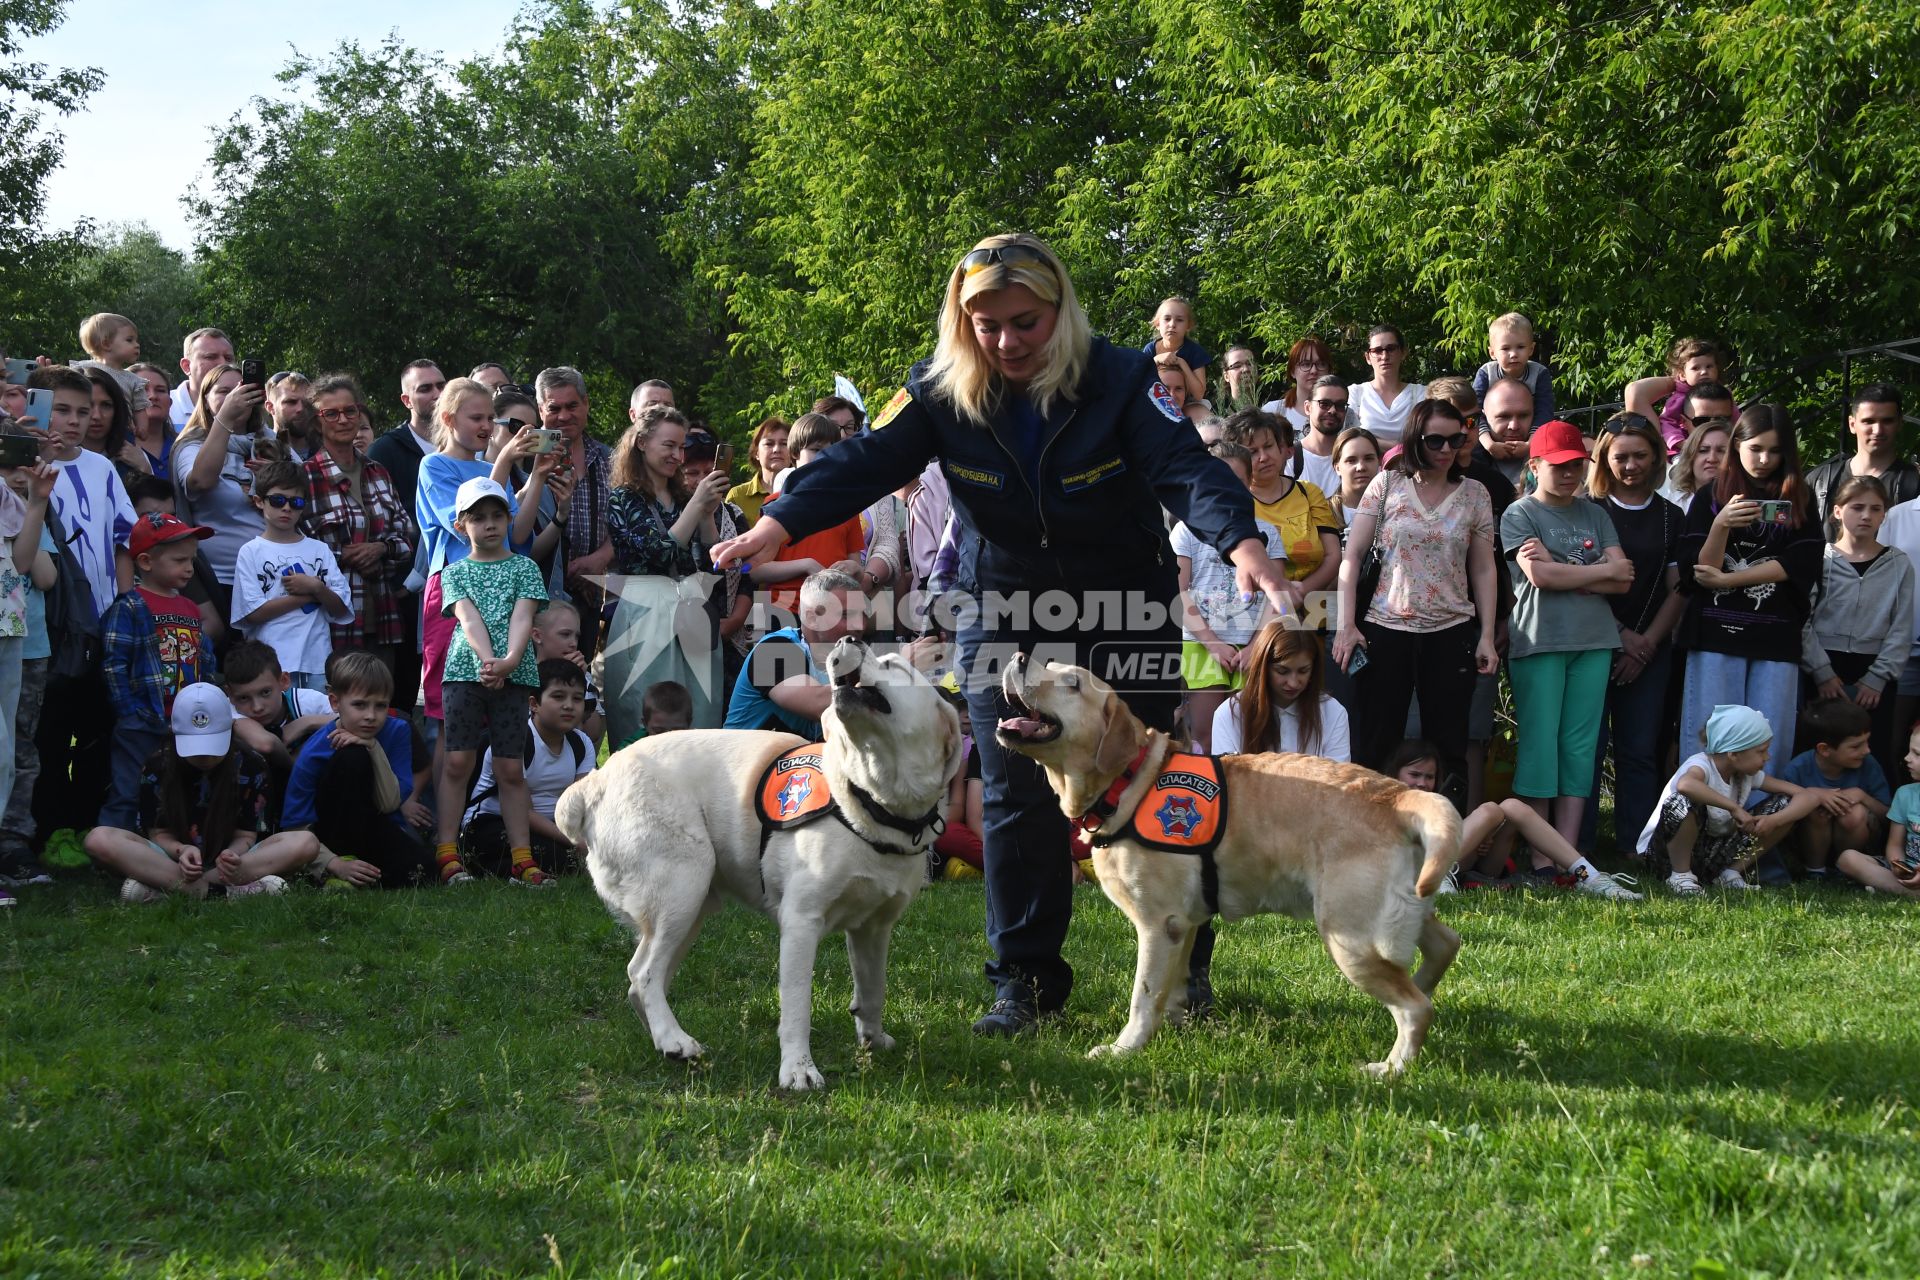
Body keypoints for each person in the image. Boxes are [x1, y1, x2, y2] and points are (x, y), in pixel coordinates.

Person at [711, 232, 1284, 1036]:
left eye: (1026, 322)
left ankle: (1185, 974)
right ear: (962, 320)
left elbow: (1186, 469)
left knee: (1158, 777)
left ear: (1061, 313)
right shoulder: (940, 389)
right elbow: (866, 461)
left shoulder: (1120, 379)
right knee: (1016, 793)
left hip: (1125, 599)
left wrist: (1243, 543)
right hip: (1004, 606)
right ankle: (1024, 983)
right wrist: (780, 521)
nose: (1008, 342)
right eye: (987, 324)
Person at [1333, 399, 1499, 802]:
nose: (1446, 449)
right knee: (1377, 739)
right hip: (1384, 627)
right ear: (1414, 439)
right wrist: (1346, 624)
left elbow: (1483, 569)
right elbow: (1351, 557)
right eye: (1435, 440)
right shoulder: (1386, 483)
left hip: (1451, 629)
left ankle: (1448, 849)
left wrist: (1488, 635)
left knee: (1449, 742)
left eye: (1455, 439)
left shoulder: (1476, 493)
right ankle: (1372, 839)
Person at [1501, 420, 1631, 848]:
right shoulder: (1519, 513)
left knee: (1579, 748)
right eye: (1560, 466)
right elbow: (1538, 576)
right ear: (1535, 466)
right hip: (1540, 642)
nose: (1571, 473)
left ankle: (1569, 856)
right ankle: (1541, 856)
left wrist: (1565, 570)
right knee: (1540, 746)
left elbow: (1624, 578)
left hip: (1594, 641)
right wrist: (1597, 574)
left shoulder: (1595, 512)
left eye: (1577, 464)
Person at [1677, 404, 1823, 776]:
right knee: (1709, 741)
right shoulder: (1710, 495)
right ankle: (1706, 823)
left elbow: (1799, 565)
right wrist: (1720, 525)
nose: (1764, 459)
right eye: (1755, 447)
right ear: (1737, 444)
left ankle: (1759, 828)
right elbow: (1697, 573)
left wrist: (1729, 581)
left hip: (1775, 637)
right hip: (1715, 636)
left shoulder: (1800, 496)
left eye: (1775, 451)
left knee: (1768, 745)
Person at [82, 681, 324, 900]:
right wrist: (182, 850)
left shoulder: (252, 764)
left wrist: (231, 856)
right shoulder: (158, 764)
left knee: (306, 843)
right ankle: (220, 893)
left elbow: (247, 835)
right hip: (172, 861)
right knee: (99, 839)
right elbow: (158, 833)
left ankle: (170, 890)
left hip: (234, 862)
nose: (205, 757)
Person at [433, 476, 550, 888]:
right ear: (461, 525)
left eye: (497, 515)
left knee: (510, 767)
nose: (489, 524)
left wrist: (511, 661)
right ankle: (447, 854)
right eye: (478, 517)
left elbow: (524, 616)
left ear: (508, 518)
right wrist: (489, 661)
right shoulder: (455, 571)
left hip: (514, 674)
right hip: (466, 672)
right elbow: (467, 618)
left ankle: (522, 859)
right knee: (458, 762)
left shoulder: (524, 567)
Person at [415, 378, 547, 734]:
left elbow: (517, 535)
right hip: (454, 592)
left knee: (496, 707)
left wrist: (537, 475)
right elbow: (460, 520)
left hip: (500, 588)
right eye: (476, 418)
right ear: (448, 418)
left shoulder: (491, 471)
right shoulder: (434, 466)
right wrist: (503, 461)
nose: (487, 427)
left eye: (491, 418)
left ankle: (488, 789)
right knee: (451, 717)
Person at [1582, 413, 1687, 857]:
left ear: (1656, 456)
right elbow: (1580, 583)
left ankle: (1636, 846)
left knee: (1639, 751)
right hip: (1590, 643)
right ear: (1604, 458)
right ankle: (1577, 843)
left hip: (1650, 648)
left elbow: (1679, 589)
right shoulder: (1588, 509)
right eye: (1620, 457)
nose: (1630, 465)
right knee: (1586, 750)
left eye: (1640, 455)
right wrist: (1621, 635)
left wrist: (1644, 646)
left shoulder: (1671, 516)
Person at [601, 403, 731, 743]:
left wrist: (705, 515)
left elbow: (708, 563)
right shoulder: (623, 499)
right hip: (647, 616)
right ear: (642, 443)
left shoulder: (684, 496)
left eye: (681, 446)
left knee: (699, 714)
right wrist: (695, 505)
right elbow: (660, 552)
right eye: (668, 445)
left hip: (691, 615)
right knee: (649, 712)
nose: (677, 455)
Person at [1385, 740, 1643, 899]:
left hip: (1460, 868)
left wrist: (1479, 841)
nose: (1422, 783)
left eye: (1429, 777)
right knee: (1487, 811)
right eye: (1414, 774)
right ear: (1395, 774)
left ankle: (1591, 876)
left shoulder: (1438, 804)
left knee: (1508, 808)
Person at [281, 650, 435, 888]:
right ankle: (339, 869)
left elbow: (390, 803)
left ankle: (362, 872)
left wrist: (373, 748)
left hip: (377, 824)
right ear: (335, 702)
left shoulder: (397, 731)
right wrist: (331, 862)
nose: (371, 716)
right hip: (328, 836)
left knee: (425, 872)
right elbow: (296, 826)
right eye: (360, 705)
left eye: (381, 706)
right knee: (352, 757)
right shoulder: (315, 750)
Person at [300, 374, 417, 676]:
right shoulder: (305, 476)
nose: (343, 419)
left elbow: (407, 534)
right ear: (317, 421)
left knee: (381, 701)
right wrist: (347, 555)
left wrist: (380, 548)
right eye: (331, 413)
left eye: (350, 411)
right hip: (331, 616)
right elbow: (297, 546)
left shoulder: (377, 471)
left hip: (382, 609)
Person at [1639, 703, 1823, 895]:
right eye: (1761, 751)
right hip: (1664, 858)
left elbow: (1806, 796)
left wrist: (1774, 820)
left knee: (1785, 804)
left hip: (1709, 855)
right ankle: (1680, 875)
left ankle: (1729, 874)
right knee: (1685, 800)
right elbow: (1686, 785)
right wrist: (1734, 808)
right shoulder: (1701, 765)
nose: (1767, 757)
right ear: (1734, 754)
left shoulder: (1745, 774)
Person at [1802, 474, 1914, 780]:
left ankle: (1872, 820)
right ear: (1837, 511)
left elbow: (1902, 627)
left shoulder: (1897, 563)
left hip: (1874, 671)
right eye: (1857, 507)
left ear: (1884, 514)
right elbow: (1803, 620)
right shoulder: (1820, 559)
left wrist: (1878, 677)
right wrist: (1821, 672)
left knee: (1872, 753)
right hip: (1824, 668)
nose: (1866, 515)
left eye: (1875, 509)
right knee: (1819, 750)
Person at [1175, 440, 1284, 750]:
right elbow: (1179, 593)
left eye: (1234, 480)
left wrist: (1256, 646)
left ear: (1248, 482)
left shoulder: (1267, 533)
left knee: (1248, 736)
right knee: (1204, 737)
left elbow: (1277, 599)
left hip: (1251, 648)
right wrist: (1212, 643)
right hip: (1201, 644)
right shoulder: (1185, 531)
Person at [460, 658, 595, 877]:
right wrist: (573, 842)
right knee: (557, 857)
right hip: (493, 823)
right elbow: (524, 812)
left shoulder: (582, 743)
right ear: (534, 704)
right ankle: (481, 864)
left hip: (553, 827)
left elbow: (580, 803)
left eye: (577, 698)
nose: (569, 705)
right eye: (558, 697)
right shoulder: (514, 741)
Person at [230, 459, 351, 689]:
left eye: (295, 502)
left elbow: (341, 608)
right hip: (270, 665)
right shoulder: (251, 551)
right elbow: (252, 612)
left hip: (317, 661)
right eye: (277, 501)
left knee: (316, 721)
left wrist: (317, 588)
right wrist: (309, 595)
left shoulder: (319, 549)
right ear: (259, 501)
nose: (286, 508)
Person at [170, 362, 268, 621]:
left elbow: (305, 494)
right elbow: (200, 481)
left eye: (241, 388)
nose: (236, 397)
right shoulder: (191, 444)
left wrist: (275, 477)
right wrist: (224, 418)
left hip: (272, 575)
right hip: (221, 580)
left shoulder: (270, 442)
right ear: (205, 399)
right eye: (224, 392)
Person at [0, 449, 57, 887]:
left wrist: (35, 500)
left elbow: (25, 566)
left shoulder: (9, 499)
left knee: (6, 754)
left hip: (9, 629)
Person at [1225, 409, 1339, 625]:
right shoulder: (1232, 503)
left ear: (1281, 447)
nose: (1263, 457)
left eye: (1268, 446)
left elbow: (1333, 556)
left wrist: (1301, 592)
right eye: (1252, 451)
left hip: (1316, 617)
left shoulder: (1309, 493)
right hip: (1253, 622)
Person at [724, 567, 864, 738]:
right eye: (846, 615)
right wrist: (884, 676)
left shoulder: (848, 658)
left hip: (797, 760)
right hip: (744, 762)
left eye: (862, 614)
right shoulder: (774, 649)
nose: (860, 625)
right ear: (812, 618)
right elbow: (817, 703)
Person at [757, 412, 867, 614]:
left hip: (833, 610)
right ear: (795, 453)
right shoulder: (774, 504)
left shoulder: (848, 508)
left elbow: (855, 565)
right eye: (816, 450)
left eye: (831, 451)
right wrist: (805, 565)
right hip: (783, 609)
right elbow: (755, 571)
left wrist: (854, 570)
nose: (824, 458)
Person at [539, 367, 614, 657]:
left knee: (578, 682)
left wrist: (601, 558)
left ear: (586, 404)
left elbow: (628, 522)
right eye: (554, 408)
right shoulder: (527, 460)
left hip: (591, 593)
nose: (564, 415)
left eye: (572, 406)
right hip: (541, 595)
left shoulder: (611, 459)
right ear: (540, 409)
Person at [1779, 697, 1890, 882]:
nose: (1867, 751)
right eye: (1856, 746)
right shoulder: (1798, 769)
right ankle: (1815, 872)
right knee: (1814, 808)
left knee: (1853, 813)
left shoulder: (1868, 765)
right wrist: (1813, 796)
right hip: (1806, 842)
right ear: (1824, 749)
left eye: (1867, 742)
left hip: (1859, 842)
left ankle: (1846, 871)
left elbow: (1888, 816)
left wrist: (1862, 796)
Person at [1210, 623, 1350, 759]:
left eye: (1303, 671)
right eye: (1282, 671)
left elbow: (1338, 778)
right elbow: (1227, 778)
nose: (1293, 683)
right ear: (1263, 668)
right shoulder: (1229, 714)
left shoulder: (1333, 712)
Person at [1803, 384, 1917, 525]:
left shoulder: (1914, 483)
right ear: (1852, 424)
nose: (1878, 430)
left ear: (1900, 424)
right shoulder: (1819, 481)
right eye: (1868, 421)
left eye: (1887, 421)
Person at [1836, 720, 1920, 897]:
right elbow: (1895, 845)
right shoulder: (1905, 794)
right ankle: (1907, 890)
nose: (1906, 758)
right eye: (1909, 751)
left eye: (1916, 754)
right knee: (1848, 859)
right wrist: (1899, 866)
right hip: (1908, 870)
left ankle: (1900, 891)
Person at [1624, 337, 1724, 455]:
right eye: (1695, 368)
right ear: (1682, 374)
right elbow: (1667, 423)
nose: (1704, 372)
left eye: (1709, 366)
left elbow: (1735, 419)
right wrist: (1681, 443)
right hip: (1684, 449)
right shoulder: (1679, 399)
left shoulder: (1723, 395)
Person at [531, 599, 605, 745]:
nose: (573, 643)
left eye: (576, 636)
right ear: (538, 636)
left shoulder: (582, 675)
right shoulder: (525, 676)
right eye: (565, 634)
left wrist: (582, 681)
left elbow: (593, 733)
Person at [1471, 312, 1556, 428]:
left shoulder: (1539, 373)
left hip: (1531, 434)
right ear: (1492, 353)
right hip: (1490, 435)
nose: (1513, 354)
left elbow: (1545, 411)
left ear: (1531, 349)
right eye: (1505, 348)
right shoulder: (1486, 373)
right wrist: (1488, 442)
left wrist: (1531, 441)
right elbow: (1474, 410)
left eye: (1520, 347)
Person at [1347, 325, 1427, 440]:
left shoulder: (1421, 394)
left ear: (1403, 353)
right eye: (1377, 350)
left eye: (1391, 349)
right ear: (1368, 357)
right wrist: (1397, 448)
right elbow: (1348, 439)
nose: (1384, 356)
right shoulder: (1355, 393)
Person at [80, 366, 150, 483]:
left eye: (106, 405)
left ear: (117, 410)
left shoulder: (136, 455)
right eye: (88, 405)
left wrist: (144, 469)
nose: (97, 415)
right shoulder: (56, 456)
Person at [73, 312, 149, 417]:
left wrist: (142, 428)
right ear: (106, 344)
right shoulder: (82, 370)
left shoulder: (134, 381)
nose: (137, 345)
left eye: (136, 341)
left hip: (122, 430)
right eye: (129, 340)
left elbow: (140, 409)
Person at [1144, 296, 1209, 409]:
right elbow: (1139, 380)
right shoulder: (1151, 349)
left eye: (1179, 320)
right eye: (1167, 319)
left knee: (1200, 414)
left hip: (1188, 403)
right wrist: (1156, 360)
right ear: (1157, 324)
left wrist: (1181, 363)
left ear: (1188, 326)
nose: (1172, 324)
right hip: (1156, 401)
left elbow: (1199, 395)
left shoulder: (1195, 351)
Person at [1258, 336, 1333, 431]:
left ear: (1329, 370)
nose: (1314, 370)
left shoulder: (1342, 414)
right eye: (1306, 364)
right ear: (1292, 371)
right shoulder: (1272, 412)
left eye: (1321, 364)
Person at [1289, 374, 1347, 496]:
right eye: (1324, 404)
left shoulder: (1353, 458)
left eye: (1340, 405)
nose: (1332, 410)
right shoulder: (1290, 458)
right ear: (1308, 407)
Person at [727, 416, 789, 528]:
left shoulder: (803, 492)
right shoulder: (737, 496)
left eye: (784, 443)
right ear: (756, 453)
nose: (777, 449)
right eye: (769, 444)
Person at [1659, 416, 1731, 512]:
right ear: (1690, 456)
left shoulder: (1747, 499)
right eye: (1703, 450)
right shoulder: (1667, 506)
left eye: (1721, 451)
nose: (1712, 459)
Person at [1476, 375, 1535, 491]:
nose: (1514, 426)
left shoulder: (1552, 460)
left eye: (1523, 416)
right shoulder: (1466, 462)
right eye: (1503, 416)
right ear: (1484, 417)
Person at [168, 328, 235, 430]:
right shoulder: (165, 408)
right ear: (187, 366)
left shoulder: (246, 408)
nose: (223, 364)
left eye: (228, 358)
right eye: (211, 357)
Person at [126, 363, 177, 474]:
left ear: (170, 402)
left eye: (160, 390)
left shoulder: (184, 445)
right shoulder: (115, 448)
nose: (153, 396)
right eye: (142, 390)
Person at [1329, 426, 1380, 528]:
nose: (1361, 467)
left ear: (1379, 462)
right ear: (1337, 468)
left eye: (1368, 459)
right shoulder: (1322, 513)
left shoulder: (1393, 511)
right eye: (1351, 460)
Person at [265, 370, 318, 461]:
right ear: (271, 407)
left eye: (307, 402)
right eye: (291, 402)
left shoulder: (331, 451)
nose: (300, 408)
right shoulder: (257, 453)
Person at [1216, 344, 1261, 414]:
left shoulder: (1272, 406)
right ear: (1226, 376)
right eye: (1237, 366)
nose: (1245, 369)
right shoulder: (1218, 412)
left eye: (1249, 363)